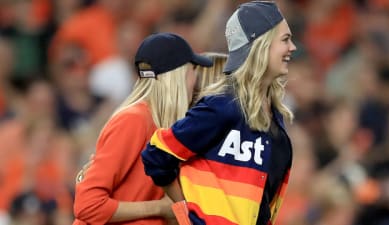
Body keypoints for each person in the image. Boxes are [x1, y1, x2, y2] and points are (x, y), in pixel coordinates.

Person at [141, 1, 297, 225]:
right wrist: (189, 215)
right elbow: (157, 154)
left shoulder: (274, 115)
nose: (292, 47)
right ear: (261, 45)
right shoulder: (224, 105)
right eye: (285, 40)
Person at [72, 32, 213, 225]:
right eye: (191, 70)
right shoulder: (135, 120)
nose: (195, 80)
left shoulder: (164, 124)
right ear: (175, 76)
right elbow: (88, 205)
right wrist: (159, 208)